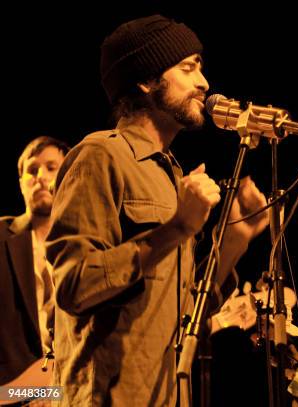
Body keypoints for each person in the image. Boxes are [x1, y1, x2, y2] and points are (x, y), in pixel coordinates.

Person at [46, 15, 269, 406]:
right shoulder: (101, 155)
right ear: (147, 82)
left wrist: (234, 238)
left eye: (201, 68)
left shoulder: (170, 172)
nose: (203, 83)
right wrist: (178, 227)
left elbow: (187, 311)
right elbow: (72, 286)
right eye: (188, 68)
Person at [0, 136, 69, 385]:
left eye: (52, 168)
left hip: (74, 392)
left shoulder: (88, 241)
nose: (41, 176)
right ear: (20, 184)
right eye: (32, 170)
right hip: (10, 394)